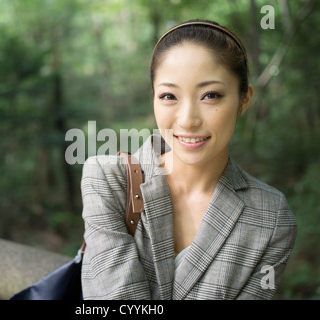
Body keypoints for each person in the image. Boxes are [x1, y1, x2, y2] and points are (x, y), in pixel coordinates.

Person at [80, 19, 297, 300]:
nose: (187, 120)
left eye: (210, 95)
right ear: (154, 100)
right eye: (169, 95)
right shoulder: (109, 178)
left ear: (244, 99)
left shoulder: (271, 217)